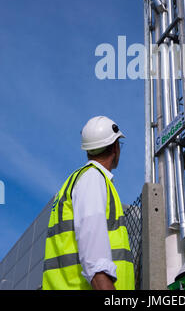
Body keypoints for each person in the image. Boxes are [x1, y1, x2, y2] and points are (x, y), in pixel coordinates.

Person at [42, 116, 135, 290]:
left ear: (88, 150)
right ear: (115, 147)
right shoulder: (93, 179)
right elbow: (96, 262)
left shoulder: (74, 182)